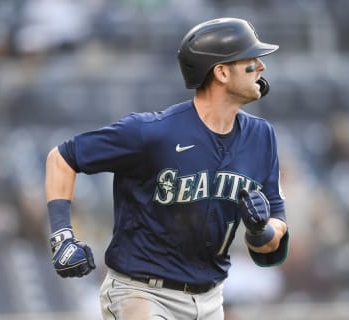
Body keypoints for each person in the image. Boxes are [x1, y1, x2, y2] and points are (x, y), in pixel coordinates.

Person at [44, 17, 289, 320]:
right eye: (250, 60)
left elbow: (274, 234)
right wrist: (62, 236)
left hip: (211, 298)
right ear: (222, 72)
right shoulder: (152, 132)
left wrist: (259, 230)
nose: (261, 66)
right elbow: (62, 157)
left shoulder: (261, 137)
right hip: (143, 293)